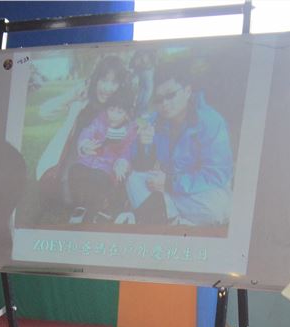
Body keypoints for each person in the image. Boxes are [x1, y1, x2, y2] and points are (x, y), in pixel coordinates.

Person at [124, 57, 233, 226]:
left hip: (200, 190)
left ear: (187, 91)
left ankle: (162, 213)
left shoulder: (211, 122)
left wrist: (170, 183)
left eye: (170, 95)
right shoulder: (154, 120)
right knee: (133, 180)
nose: (164, 104)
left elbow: (216, 174)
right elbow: (140, 164)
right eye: (159, 99)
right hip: (167, 186)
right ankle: (172, 218)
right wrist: (143, 145)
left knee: (217, 210)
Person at [35, 55, 130, 220]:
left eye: (114, 82)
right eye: (103, 80)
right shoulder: (82, 99)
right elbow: (44, 112)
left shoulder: (119, 108)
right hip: (73, 159)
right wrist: (70, 97)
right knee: (68, 195)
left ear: (120, 85)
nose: (107, 88)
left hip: (105, 165)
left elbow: (128, 140)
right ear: (95, 79)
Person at [66, 86, 138, 224]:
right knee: (75, 171)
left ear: (127, 114)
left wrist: (122, 162)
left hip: (108, 166)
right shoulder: (100, 120)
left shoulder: (130, 130)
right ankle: (79, 206)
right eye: (111, 110)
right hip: (88, 160)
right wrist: (85, 144)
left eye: (119, 112)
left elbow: (128, 150)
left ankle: (92, 210)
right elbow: (88, 131)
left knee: (97, 180)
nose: (113, 115)